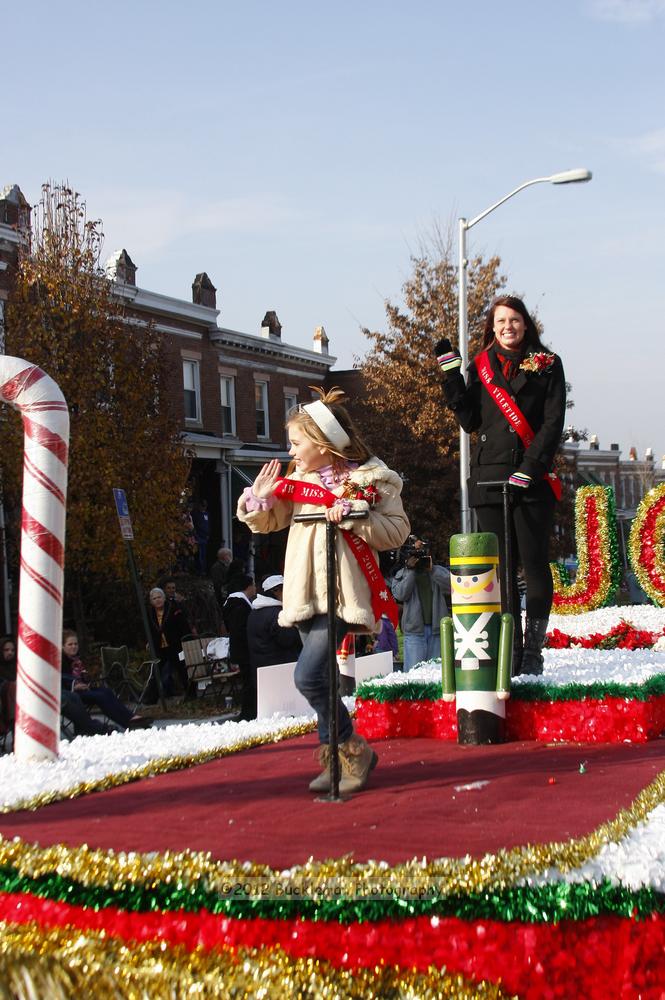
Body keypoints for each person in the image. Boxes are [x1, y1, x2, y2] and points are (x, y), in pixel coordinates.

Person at [237, 386, 410, 794]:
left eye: (296, 442)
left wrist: (353, 516)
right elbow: (267, 523)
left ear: (323, 443)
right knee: (326, 679)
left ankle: (351, 748)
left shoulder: (371, 479)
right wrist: (258, 501)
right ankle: (336, 760)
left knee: (308, 676)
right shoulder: (296, 483)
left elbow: (397, 532)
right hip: (302, 592)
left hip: (343, 595)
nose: (291, 451)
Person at [436, 294, 567, 675]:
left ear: (526, 323)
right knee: (501, 571)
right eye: (500, 322)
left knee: (534, 565)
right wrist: (451, 377)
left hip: (531, 477)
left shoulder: (548, 364)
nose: (508, 327)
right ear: (492, 327)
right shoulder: (481, 365)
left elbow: (552, 422)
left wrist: (531, 466)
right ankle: (508, 648)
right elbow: (471, 421)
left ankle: (533, 650)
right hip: (490, 478)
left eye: (514, 320)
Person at [61, 631, 152, 729]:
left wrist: (88, 680)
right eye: (70, 644)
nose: (74, 646)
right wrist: (74, 685)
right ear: (62, 646)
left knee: (106, 691)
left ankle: (131, 717)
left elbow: (83, 676)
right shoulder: (61, 661)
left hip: (84, 688)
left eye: (75, 644)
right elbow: (61, 678)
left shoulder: (77, 659)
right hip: (72, 693)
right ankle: (127, 723)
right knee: (100, 696)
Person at [389, 536, 451, 670]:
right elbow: (400, 594)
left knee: (437, 674)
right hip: (414, 632)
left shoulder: (436, 571)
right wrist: (410, 571)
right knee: (414, 675)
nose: (419, 557)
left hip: (437, 631)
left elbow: (452, 586)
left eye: (422, 552)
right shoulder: (403, 573)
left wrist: (432, 569)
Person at [146, 587, 192, 699]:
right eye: (154, 598)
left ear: (164, 597)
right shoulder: (150, 613)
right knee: (157, 671)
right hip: (160, 646)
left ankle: (191, 693)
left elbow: (183, 626)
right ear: (151, 601)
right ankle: (151, 698)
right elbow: (149, 629)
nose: (157, 600)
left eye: (159, 597)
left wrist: (185, 641)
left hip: (175, 644)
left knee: (182, 670)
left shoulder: (173, 609)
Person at [222, 574, 257, 720]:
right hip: (245, 650)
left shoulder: (233, 603)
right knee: (249, 681)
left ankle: (249, 711)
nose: (255, 588)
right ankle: (248, 712)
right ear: (248, 587)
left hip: (240, 649)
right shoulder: (239, 605)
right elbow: (240, 630)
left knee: (248, 681)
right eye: (254, 585)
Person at [191, 499, 211, 575]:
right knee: (199, 554)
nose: (204, 507)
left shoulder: (207, 514)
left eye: (205, 506)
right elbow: (195, 526)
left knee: (203, 554)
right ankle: (199, 570)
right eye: (202, 506)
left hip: (205, 537)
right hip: (198, 536)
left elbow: (208, 525)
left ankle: (203, 570)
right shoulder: (195, 514)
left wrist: (208, 534)